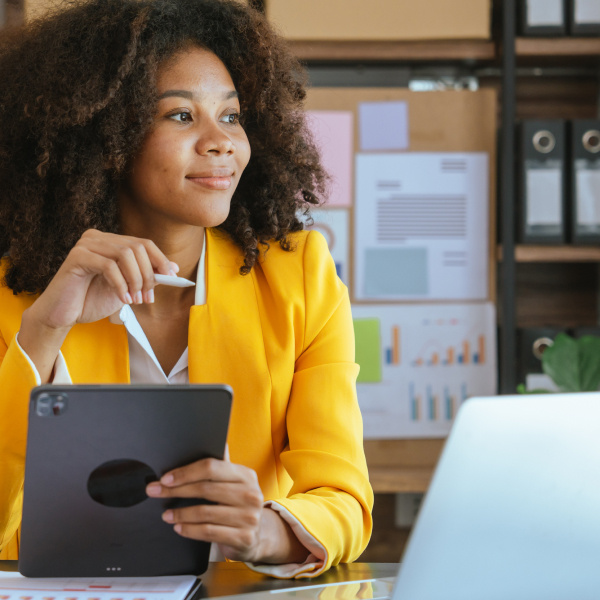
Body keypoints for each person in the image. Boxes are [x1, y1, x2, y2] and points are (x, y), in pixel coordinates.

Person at [0, 0, 373, 579]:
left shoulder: (301, 277)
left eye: (231, 116)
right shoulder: (18, 295)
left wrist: (263, 531)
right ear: (107, 138)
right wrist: (44, 333)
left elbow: (344, 498)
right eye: (180, 116)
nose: (220, 141)